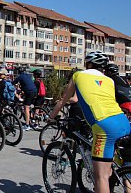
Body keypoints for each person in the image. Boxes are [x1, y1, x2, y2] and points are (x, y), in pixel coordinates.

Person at [50, 51, 130, 193]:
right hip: (123, 122)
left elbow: (65, 99)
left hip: (104, 126)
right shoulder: (109, 80)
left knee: (101, 177)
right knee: (109, 166)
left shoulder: (78, 75)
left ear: (89, 64)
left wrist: (51, 117)